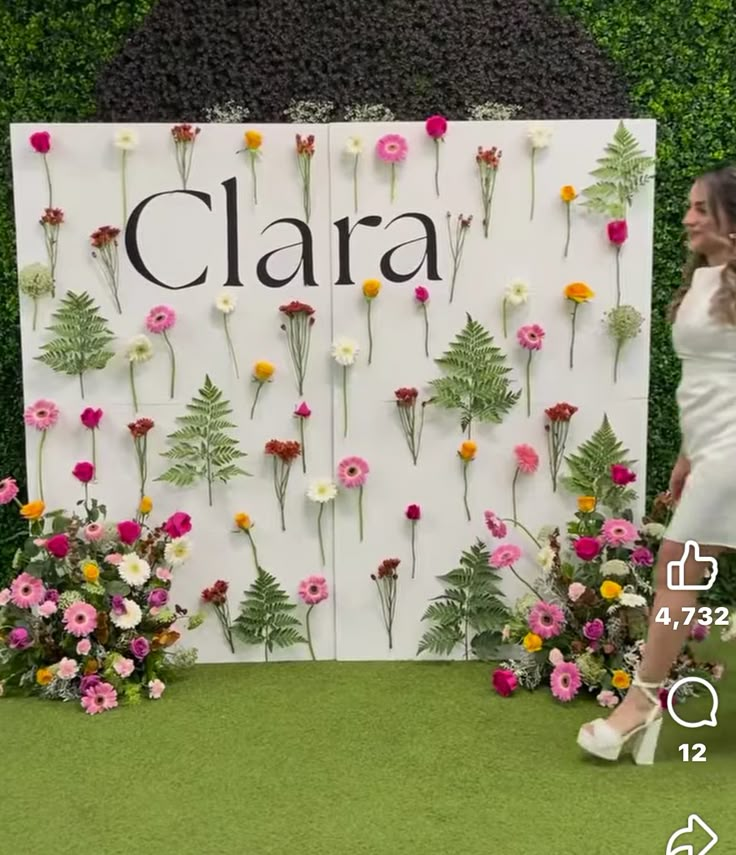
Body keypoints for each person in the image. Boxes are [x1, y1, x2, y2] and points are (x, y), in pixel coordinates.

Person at [577, 164, 736, 764]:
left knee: (677, 566)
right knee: (679, 569)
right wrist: (687, 456)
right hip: (714, 448)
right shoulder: (704, 281)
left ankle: (638, 708)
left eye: (701, 208)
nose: (688, 218)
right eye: (689, 207)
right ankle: (640, 707)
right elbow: (705, 382)